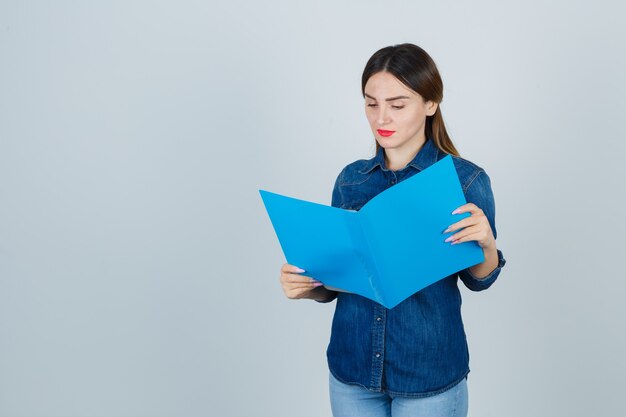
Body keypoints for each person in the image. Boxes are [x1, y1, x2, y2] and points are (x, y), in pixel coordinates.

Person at [278, 43, 506, 417]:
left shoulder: (463, 181)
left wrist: (487, 243)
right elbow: (339, 283)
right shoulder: (351, 181)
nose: (381, 116)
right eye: (371, 103)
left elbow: (479, 279)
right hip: (352, 370)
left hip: (427, 374)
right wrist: (308, 286)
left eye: (397, 105)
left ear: (430, 104)